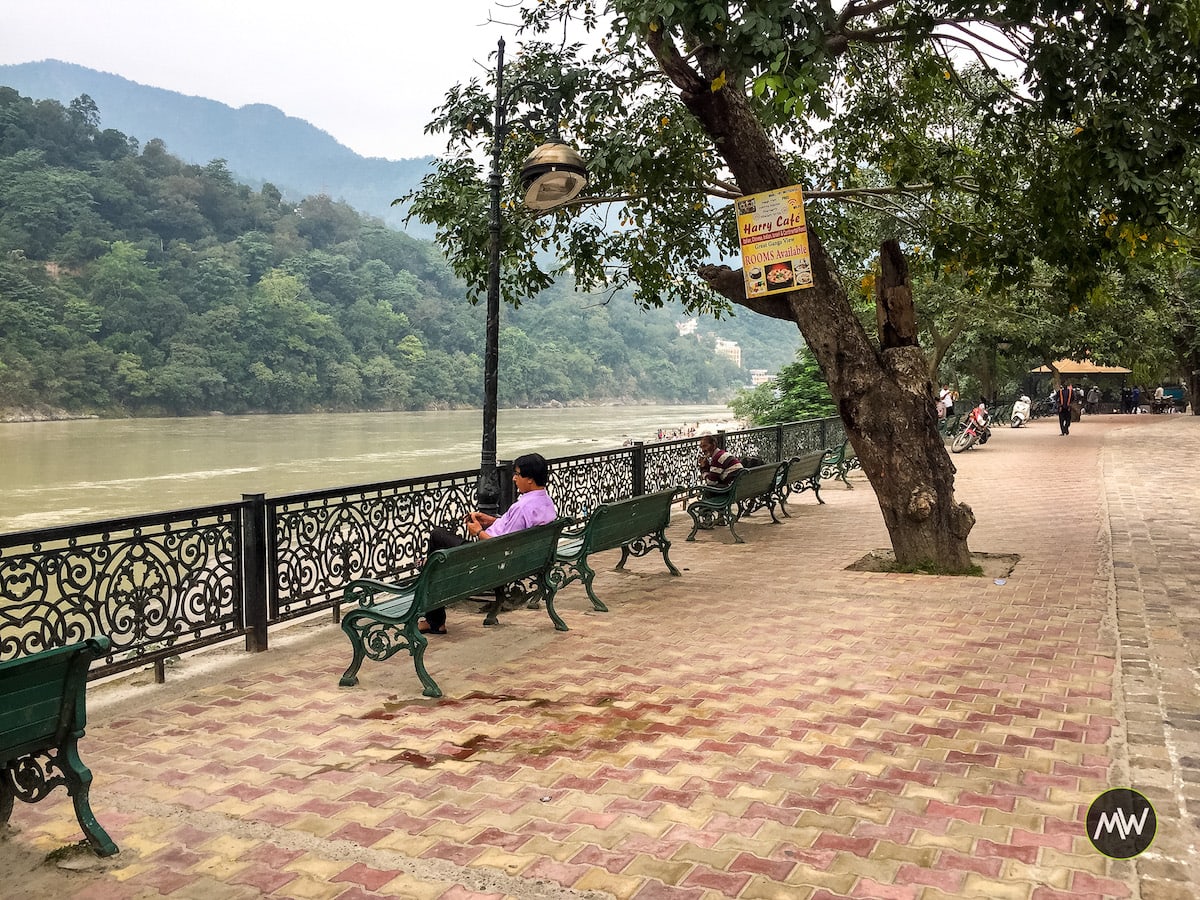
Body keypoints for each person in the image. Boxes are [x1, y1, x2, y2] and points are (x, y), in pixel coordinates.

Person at [420, 453, 558, 634]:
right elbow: (513, 531)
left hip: (492, 562)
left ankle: (435, 620)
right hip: (524, 562)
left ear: (530, 479)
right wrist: (491, 520)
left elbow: (500, 546)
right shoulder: (545, 502)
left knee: (437, 540)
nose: (514, 478)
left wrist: (478, 531)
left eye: (517, 474)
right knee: (436, 559)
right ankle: (428, 573)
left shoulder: (523, 507)